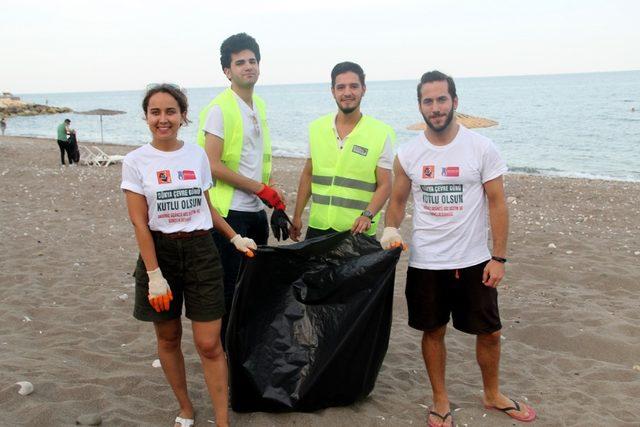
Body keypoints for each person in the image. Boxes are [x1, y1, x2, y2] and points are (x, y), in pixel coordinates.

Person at [381, 71, 536, 426]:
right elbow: (398, 202)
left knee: (491, 332)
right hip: (426, 261)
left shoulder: (481, 148)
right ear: (420, 105)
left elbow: (497, 203)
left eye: (441, 99)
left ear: (455, 101)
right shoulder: (408, 154)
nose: (435, 108)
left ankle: (492, 393)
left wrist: (498, 257)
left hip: (474, 260)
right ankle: (440, 399)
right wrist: (390, 230)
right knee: (433, 331)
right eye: (428, 101)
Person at [121, 84, 257, 427]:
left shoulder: (196, 155)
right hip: (159, 253)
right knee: (168, 337)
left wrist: (234, 237)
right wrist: (154, 275)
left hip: (201, 252)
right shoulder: (135, 161)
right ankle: (186, 407)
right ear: (146, 117)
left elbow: (206, 207)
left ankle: (222, 421)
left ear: (183, 116)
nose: (163, 119)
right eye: (156, 112)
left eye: (170, 112)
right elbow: (139, 223)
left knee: (209, 343)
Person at [197, 33, 287, 346]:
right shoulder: (220, 109)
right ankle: (224, 355)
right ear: (227, 71)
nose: (247, 67)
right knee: (229, 289)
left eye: (252, 61)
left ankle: (244, 347)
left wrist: (274, 200)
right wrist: (260, 188)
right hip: (229, 214)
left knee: (253, 286)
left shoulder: (257, 105)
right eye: (239, 63)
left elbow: (256, 160)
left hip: (255, 212)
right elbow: (211, 163)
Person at [289, 61, 395, 241]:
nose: (347, 92)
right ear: (333, 91)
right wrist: (297, 216)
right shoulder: (316, 128)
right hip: (318, 227)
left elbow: (385, 184)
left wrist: (367, 215)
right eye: (341, 87)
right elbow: (308, 174)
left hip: (358, 230)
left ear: (363, 89)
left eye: (354, 86)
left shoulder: (381, 133)